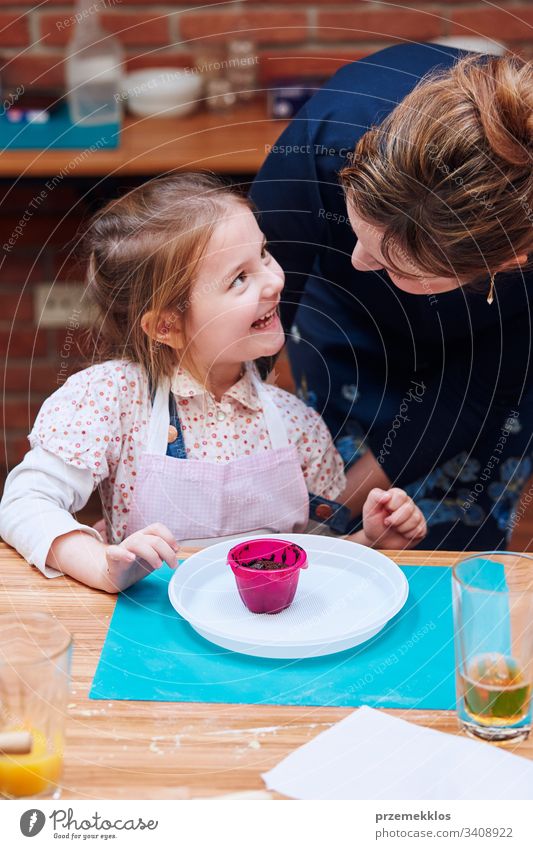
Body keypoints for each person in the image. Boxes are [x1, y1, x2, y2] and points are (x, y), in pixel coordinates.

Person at [0, 173, 426, 593]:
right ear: (166, 325)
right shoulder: (111, 400)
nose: (275, 279)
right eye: (239, 278)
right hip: (153, 639)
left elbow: (312, 562)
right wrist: (100, 565)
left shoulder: (298, 425)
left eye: (264, 254)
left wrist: (369, 541)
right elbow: (23, 503)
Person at [250, 43, 533, 552]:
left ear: (505, 263)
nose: (358, 260)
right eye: (357, 225)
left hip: (493, 363)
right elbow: (253, 307)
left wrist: (341, 512)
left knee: (447, 544)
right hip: (348, 331)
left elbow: (472, 397)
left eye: (393, 264)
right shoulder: (332, 132)